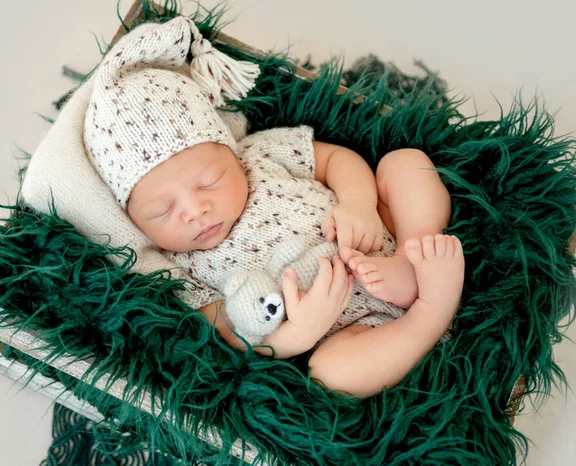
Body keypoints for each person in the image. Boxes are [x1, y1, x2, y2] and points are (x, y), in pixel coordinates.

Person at [84, 16, 465, 398]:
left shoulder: (260, 153)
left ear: (229, 149)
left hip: (380, 234)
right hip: (357, 325)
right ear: (134, 220)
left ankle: (415, 252)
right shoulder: (179, 267)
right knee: (331, 372)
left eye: (209, 182)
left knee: (404, 164)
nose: (194, 210)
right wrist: (300, 334)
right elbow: (230, 332)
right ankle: (430, 312)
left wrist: (359, 203)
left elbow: (336, 161)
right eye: (161, 211)